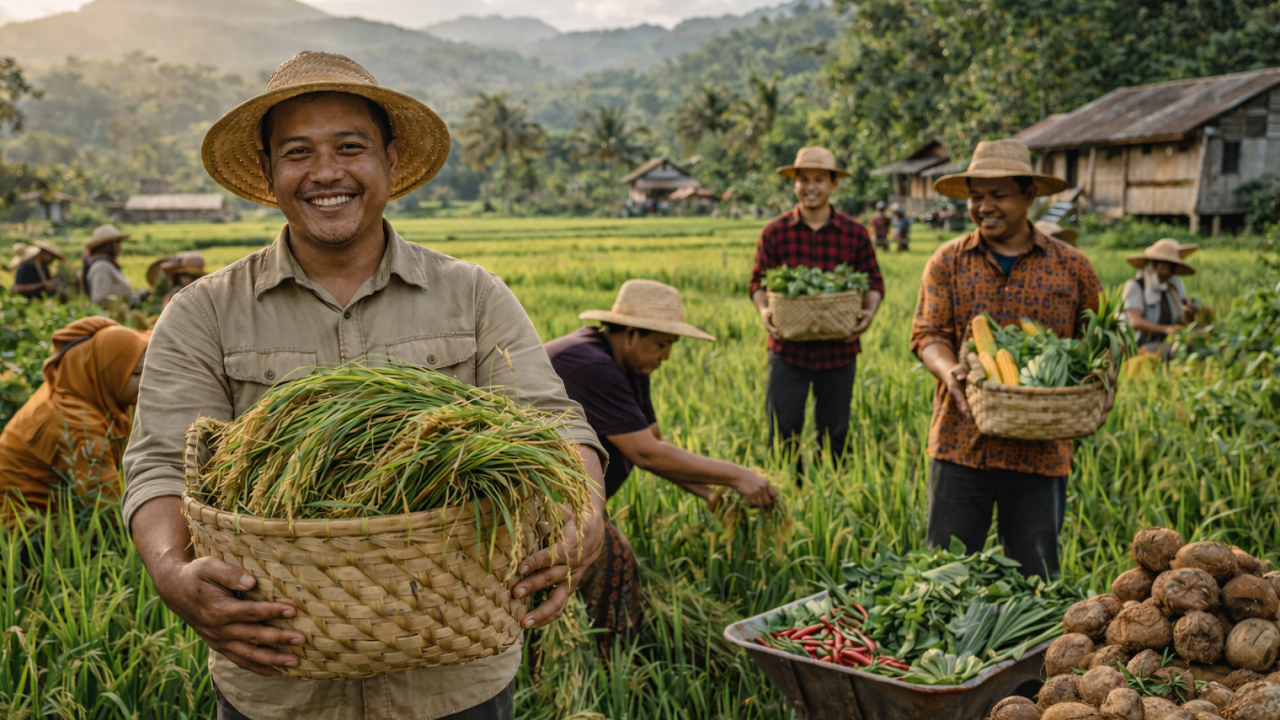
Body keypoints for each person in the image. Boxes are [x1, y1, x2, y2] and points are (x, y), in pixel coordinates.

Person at [121, 51, 607, 720]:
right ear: (267, 171)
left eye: (350, 147)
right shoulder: (202, 311)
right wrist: (173, 572)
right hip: (279, 679)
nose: (325, 173)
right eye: (297, 153)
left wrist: (586, 518)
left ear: (390, 159)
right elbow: (159, 464)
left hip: (454, 677)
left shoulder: (472, 296)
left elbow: (555, 425)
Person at [545, 280, 778, 646]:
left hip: (569, 497)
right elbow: (646, 453)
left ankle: (588, 651)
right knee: (612, 563)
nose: (666, 356)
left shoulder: (630, 368)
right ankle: (615, 667)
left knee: (591, 570)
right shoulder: (591, 364)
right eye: (661, 345)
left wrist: (709, 494)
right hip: (535, 497)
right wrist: (739, 477)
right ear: (632, 334)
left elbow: (654, 445)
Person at [911, 139, 1103, 579]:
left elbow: (1096, 348)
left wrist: (1100, 388)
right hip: (961, 443)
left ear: (1028, 196)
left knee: (1034, 581)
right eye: (977, 195)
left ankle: (1032, 652)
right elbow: (928, 334)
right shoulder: (947, 262)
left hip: (1041, 450)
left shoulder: (1073, 268)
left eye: (998, 194)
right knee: (946, 577)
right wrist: (951, 369)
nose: (983, 206)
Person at [749, 147, 885, 473]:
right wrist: (765, 310)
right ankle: (787, 494)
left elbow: (874, 284)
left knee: (834, 432)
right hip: (787, 349)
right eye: (804, 179)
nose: (811, 186)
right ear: (794, 184)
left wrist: (868, 313)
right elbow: (757, 283)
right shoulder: (775, 232)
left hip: (839, 351)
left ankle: (832, 492)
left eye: (820, 180)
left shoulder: (855, 233)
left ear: (833, 185)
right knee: (783, 429)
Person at [0, 317, 148, 521]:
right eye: (137, 373)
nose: (145, 382)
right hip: (27, 527)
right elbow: (109, 507)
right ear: (104, 373)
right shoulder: (78, 424)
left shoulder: (76, 389)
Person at [1122, 238, 1198, 353]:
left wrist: (1193, 316)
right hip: (1138, 344)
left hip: (1163, 341)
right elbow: (1135, 321)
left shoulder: (1170, 290)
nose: (1167, 273)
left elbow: (1180, 319)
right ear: (1152, 266)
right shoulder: (1135, 287)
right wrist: (1165, 329)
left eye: (1171, 268)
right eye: (1163, 267)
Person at [82, 224, 140, 307]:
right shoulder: (101, 266)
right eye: (117, 243)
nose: (119, 247)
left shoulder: (106, 264)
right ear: (108, 246)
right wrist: (130, 301)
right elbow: (100, 300)